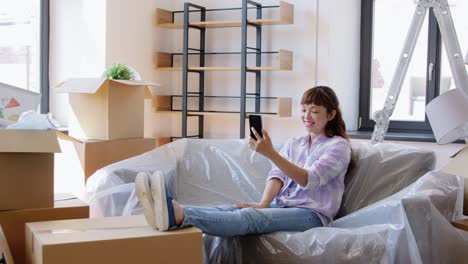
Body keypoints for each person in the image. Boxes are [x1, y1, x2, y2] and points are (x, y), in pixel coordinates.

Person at [135, 86, 352, 236]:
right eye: (304, 110)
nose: (307, 116)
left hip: (312, 215)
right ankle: (169, 209)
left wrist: (270, 154)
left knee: (252, 217)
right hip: (283, 205)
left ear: (331, 115)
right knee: (231, 209)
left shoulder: (338, 147)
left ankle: (179, 214)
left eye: (314, 111)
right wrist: (264, 204)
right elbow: (277, 175)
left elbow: (309, 180)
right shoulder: (296, 143)